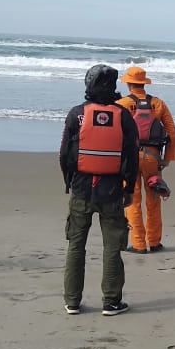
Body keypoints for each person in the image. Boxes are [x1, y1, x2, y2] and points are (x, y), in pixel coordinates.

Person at [59, 64, 140, 315]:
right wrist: (128, 187)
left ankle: (72, 301)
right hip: (112, 191)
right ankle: (111, 301)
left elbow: (64, 154)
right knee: (112, 247)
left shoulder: (76, 114)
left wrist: (68, 181)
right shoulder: (123, 116)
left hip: (81, 190)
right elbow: (131, 157)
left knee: (76, 245)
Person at [116, 66, 175, 254]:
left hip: (129, 158)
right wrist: (167, 158)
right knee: (153, 200)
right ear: (144, 83)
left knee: (132, 200)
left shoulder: (122, 104)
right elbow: (172, 133)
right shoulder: (158, 104)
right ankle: (154, 242)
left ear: (128, 83)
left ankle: (138, 244)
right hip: (152, 157)